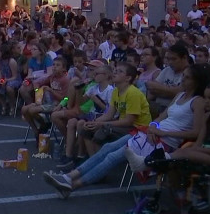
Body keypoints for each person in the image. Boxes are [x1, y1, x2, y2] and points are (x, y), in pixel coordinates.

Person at [42, 62, 152, 199]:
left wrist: (102, 124)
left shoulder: (132, 93)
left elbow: (129, 121)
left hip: (136, 129)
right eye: (115, 70)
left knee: (104, 141)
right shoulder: (117, 91)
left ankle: (74, 177)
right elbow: (109, 114)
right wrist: (96, 122)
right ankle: (73, 175)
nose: (115, 72)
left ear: (128, 78)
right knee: (88, 129)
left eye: (119, 71)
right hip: (123, 127)